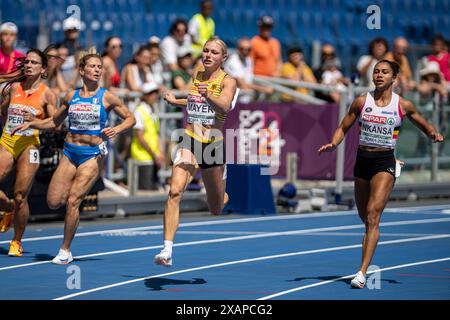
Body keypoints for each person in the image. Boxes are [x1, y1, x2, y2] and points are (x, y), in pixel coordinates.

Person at [318, 59, 444, 289]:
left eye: (385, 72)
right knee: (365, 217)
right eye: (376, 71)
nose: (379, 75)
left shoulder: (402, 104)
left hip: (384, 161)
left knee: (373, 215)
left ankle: (361, 272)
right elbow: (344, 126)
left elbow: (421, 122)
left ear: (393, 78)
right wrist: (334, 144)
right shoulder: (361, 101)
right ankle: (365, 259)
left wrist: (433, 133)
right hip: (363, 160)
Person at [12, 48, 135, 264]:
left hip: (92, 155)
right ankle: (73, 197)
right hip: (69, 153)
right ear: (81, 70)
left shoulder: (107, 96)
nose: (97, 70)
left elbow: (131, 118)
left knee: (72, 201)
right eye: (93, 66)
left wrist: (117, 129)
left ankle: (65, 249)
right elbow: (53, 123)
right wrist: (31, 123)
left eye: (100, 67)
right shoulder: (71, 96)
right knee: (53, 201)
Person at [154, 37, 237, 267]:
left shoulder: (228, 81)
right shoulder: (198, 73)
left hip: (211, 143)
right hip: (189, 139)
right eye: (206, 51)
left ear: (223, 58)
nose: (208, 55)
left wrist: (208, 94)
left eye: (214, 52)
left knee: (216, 209)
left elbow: (224, 107)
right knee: (174, 192)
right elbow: (193, 101)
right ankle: (167, 250)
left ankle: (222, 193)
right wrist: (175, 100)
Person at [0, 49, 58, 256]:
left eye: (34, 63)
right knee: (11, 200)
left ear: (43, 69)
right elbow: (3, 110)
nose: (29, 65)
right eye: (27, 62)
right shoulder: (14, 87)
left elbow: (55, 125)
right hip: (8, 140)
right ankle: (7, 208)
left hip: (29, 145)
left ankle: (16, 241)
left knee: (20, 195)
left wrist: (33, 121)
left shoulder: (48, 93)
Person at [131, 82, 164, 190]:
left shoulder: (153, 110)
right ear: (144, 95)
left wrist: (159, 153)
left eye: (155, 93)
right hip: (143, 158)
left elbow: (156, 133)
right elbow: (140, 138)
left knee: (153, 190)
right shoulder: (139, 111)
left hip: (153, 157)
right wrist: (155, 154)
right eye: (151, 93)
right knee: (145, 192)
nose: (154, 96)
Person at [224, 37, 273, 103]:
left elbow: (249, 81)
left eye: (248, 49)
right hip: (232, 100)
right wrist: (263, 89)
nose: (245, 51)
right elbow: (242, 84)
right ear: (238, 48)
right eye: (242, 49)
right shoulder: (233, 61)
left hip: (245, 99)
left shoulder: (248, 60)